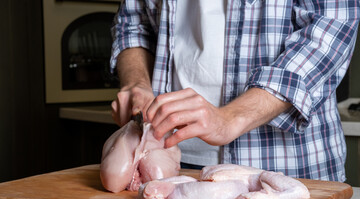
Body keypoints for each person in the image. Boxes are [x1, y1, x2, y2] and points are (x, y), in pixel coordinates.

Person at [110, 0, 360, 181]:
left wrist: (231, 117)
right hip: (166, 157)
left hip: (283, 164)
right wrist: (137, 82)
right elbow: (133, 25)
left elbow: (330, 31)